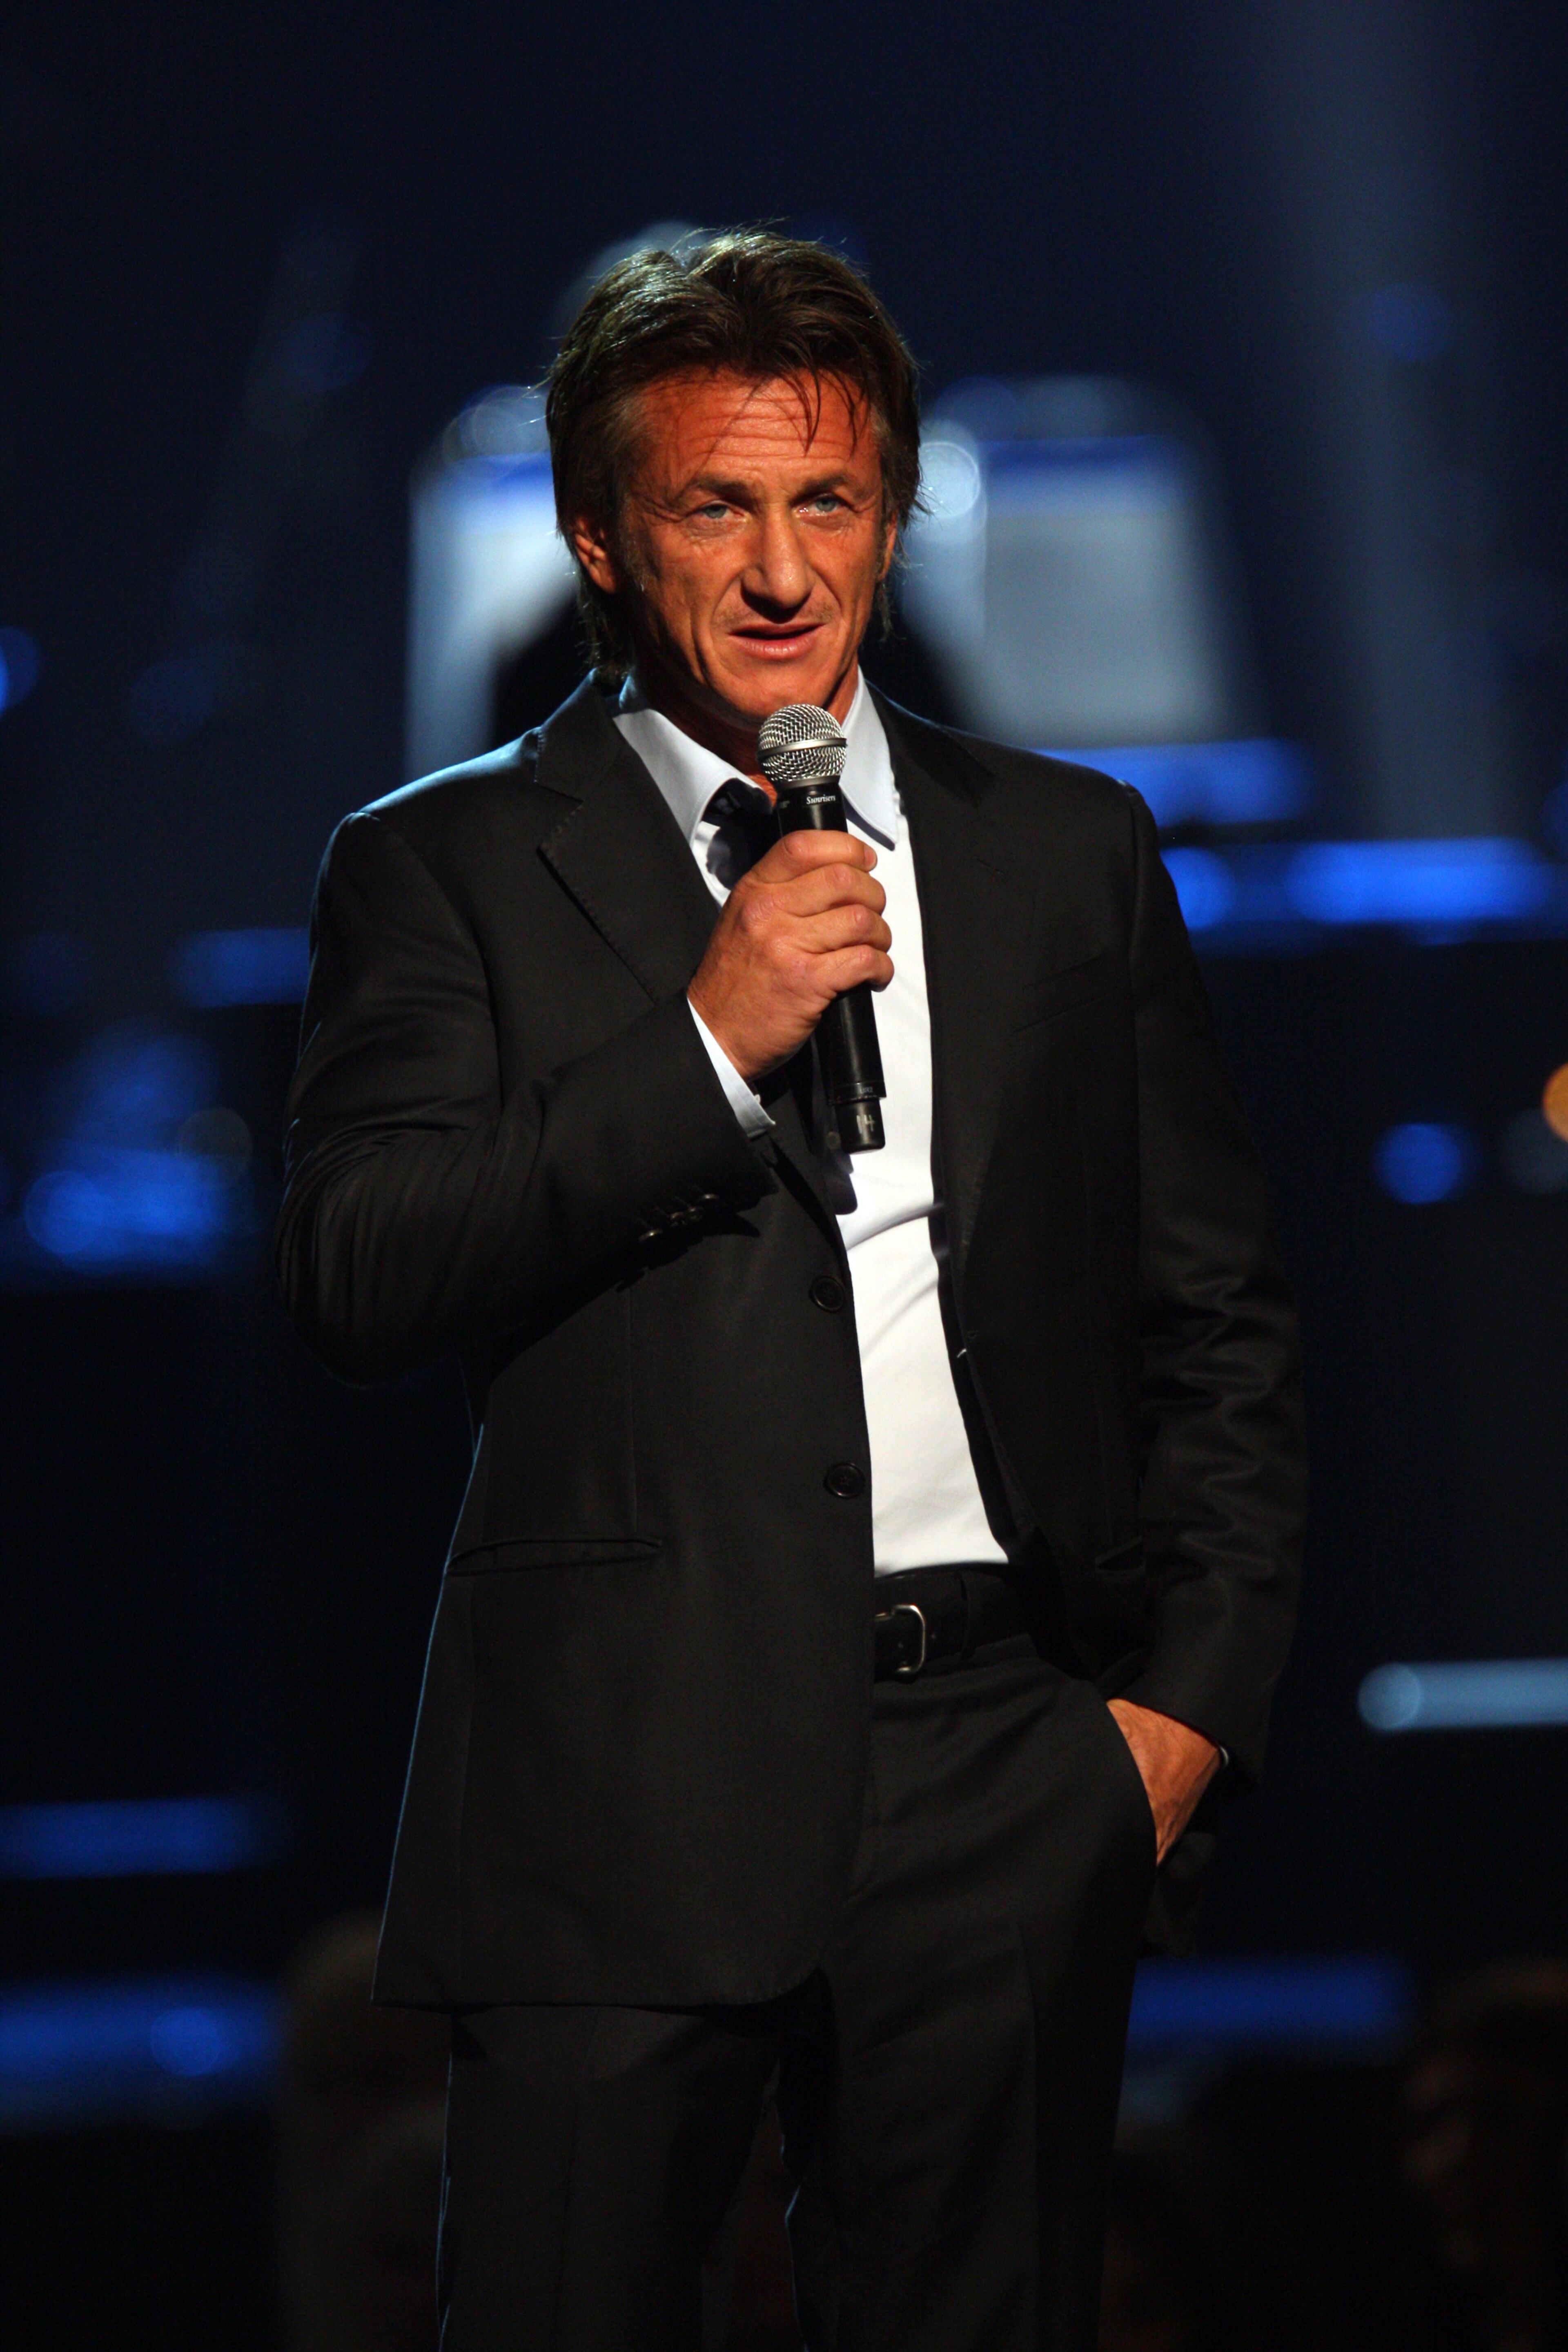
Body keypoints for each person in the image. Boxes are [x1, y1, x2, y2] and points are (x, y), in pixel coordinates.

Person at [276, 231, 1304, 2351]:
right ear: (593, 539)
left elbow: (1217, 1318)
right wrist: (704, 1045)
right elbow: (364, 1271)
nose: (778, 570)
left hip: (1006, 1766)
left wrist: (1172, 1721)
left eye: (827, 502)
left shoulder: (1067, 853)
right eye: (713, 508)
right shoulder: (443, 865)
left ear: (898, 520)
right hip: (613, 1770)